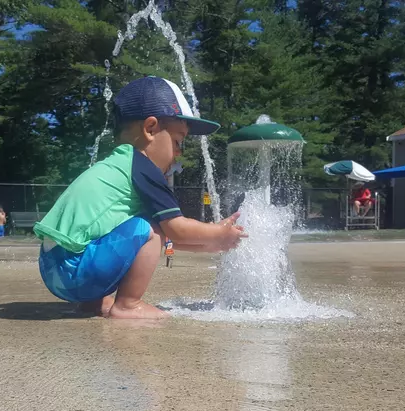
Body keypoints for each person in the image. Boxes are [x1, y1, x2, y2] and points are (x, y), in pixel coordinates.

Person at [34, 76, 246, 319]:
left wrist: (211, 243)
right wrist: (218, 233)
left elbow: (164, 239)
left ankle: (93, 303)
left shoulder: (119, 165)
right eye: (178, 142)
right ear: (151, 129)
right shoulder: (142, 166)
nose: (179, 153)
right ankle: (128, 305)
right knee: (150, 229)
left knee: (138, 228)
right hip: (75, 271)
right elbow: (173, 230)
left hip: (53, 268)